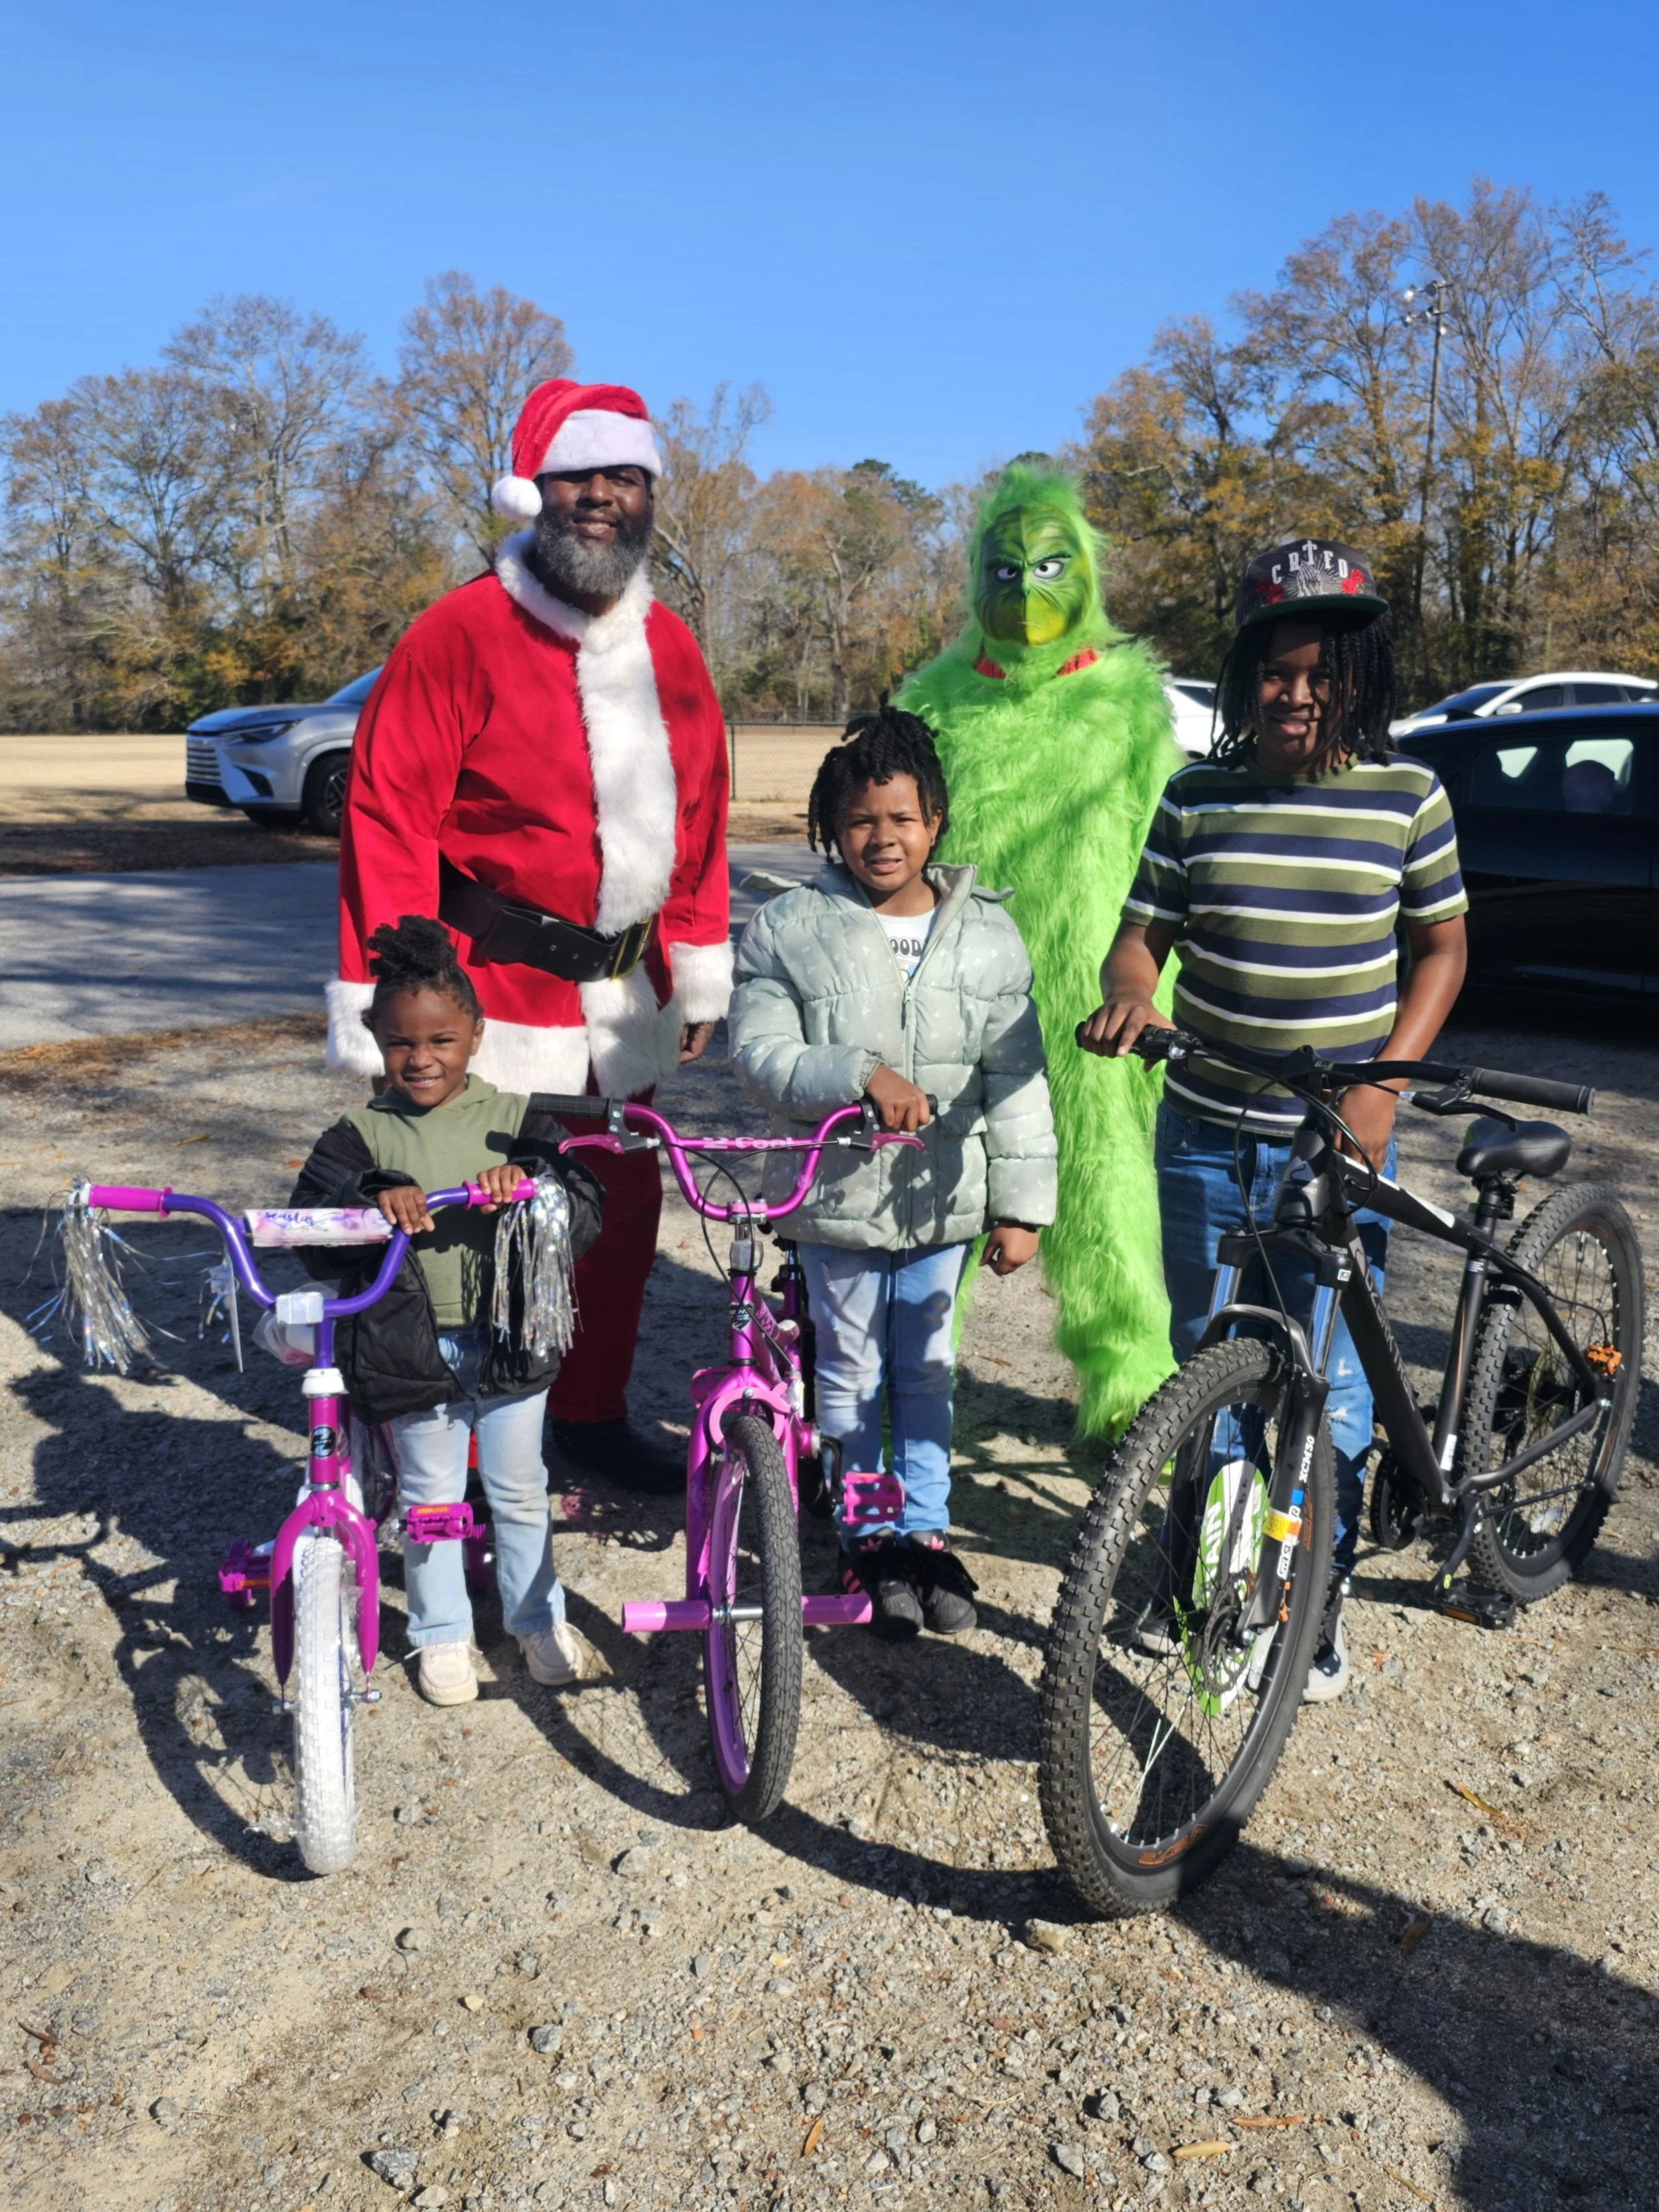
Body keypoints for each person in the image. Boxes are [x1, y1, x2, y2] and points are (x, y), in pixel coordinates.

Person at [327, 378, 733, 1495]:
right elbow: (390, 812)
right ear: (535, 492)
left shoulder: (674, 651)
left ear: (650, 495)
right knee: (466, 1223)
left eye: (626, 478)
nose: (604, 497)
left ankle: (588, 1414)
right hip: (484, 992)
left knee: (619, 1210)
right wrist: (399, 994)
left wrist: (695, 968)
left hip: (618, 1003)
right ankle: (441, 1443)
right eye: (580, 477)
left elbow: (701, 818)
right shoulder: (459, 632)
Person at [1081, 539, 1469, 1698]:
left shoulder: (1411, 798)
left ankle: (1311, 1597)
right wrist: (1130, 993)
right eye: (1273, 672)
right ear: (1245, 676)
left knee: (1328, 1381)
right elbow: (1142, 931)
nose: (1295, 695)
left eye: (1321, 673)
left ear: (1361, 676)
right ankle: (1197, 1568)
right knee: (1206, 1361)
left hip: (1336, 1140)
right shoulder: (1197, 796)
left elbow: (1443, 948)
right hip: (1201, 1124)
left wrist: (1382, 1087)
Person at [729, 707, 1057, 1637]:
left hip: (944, 1203)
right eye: (863, 820)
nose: (884, 838)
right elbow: (761, 1055)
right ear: (833, 827)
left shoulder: (988, 936)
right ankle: (866, 1535)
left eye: (902, 818)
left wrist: (1022, 1206)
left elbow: (1018, 1085)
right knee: (851, 1373)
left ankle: (922, 1532)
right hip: (834, 1203)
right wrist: (857, 1075)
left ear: (937, 820)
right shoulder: (790, 927)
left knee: (927, 1369)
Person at [897, 461, 1182, 1440]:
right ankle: (905, 1402)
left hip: (1094, 1001)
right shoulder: (933, 697)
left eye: (1049, 567)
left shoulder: (1127, 697)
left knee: (1107, 1193)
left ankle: (1133, 1405)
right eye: (1005, 570)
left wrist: (1160, 989)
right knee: (935, 1188)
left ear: (1087, 576)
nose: (1024, 590)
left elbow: (1168, 846)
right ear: (977, 576)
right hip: (957, 998)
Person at [292, 915, 605, 1707]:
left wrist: (533, 1186)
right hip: (411, 1348)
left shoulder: (516, 1119)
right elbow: (312, 1226)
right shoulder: (360, 1133)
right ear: (375, 1039)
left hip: (509, 1345)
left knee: (520, 1491)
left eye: (440, 1041)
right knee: (433, 1502)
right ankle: (442, 1633)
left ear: (476, 1034)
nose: (421, 1059)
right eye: (401, 1044)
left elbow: (584, 1209)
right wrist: (372, 1198)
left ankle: (537, 1619)